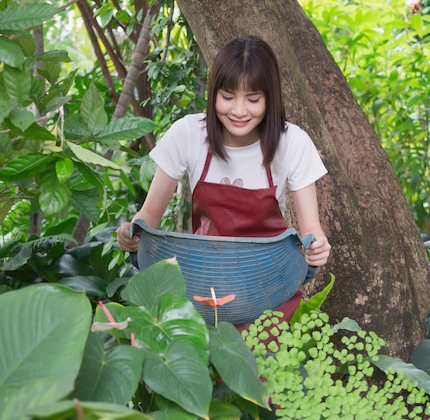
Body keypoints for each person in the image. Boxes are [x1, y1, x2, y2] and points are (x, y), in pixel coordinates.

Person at [116, 35, 331, 323]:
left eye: (253, 99)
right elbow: (147, 219)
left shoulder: (292, 142)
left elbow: (311, 232)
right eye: (227, 97)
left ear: (271, 97)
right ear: (213, 92)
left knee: (262, 368)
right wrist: (130, 235)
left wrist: (317, 248)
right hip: (202, 285)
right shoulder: (188, 134)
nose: (239, 111)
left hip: (269, 288)